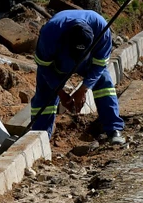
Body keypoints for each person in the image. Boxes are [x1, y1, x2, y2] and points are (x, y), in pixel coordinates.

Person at [30, 9, 125, 145]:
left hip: (88, 61)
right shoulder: (50, 34)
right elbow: (44, 66)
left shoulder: (101, 29)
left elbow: (100, 64)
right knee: (45, 93)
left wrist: (83, 89)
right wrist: (60, 92)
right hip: (59, 60)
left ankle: (114, 129)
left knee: (104, 82)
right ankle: (40, 137)